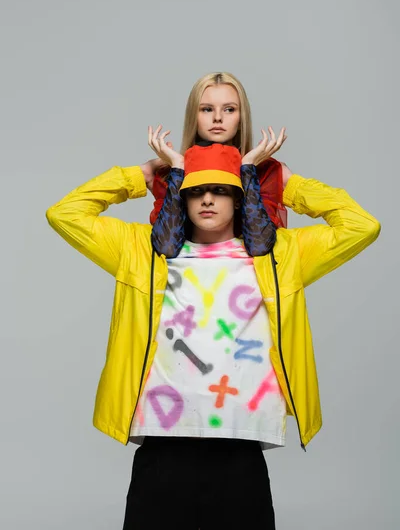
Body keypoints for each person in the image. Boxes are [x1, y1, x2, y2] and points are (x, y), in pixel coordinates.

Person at [46, 141, 380, 529]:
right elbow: (65, 214)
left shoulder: (279, 256)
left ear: (240, 198)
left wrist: (285, 184)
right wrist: (143, 174)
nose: (207, 200)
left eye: (221, 190)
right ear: (181, 196)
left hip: (240, 443)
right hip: (163, 441)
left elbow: (362, 225)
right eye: (196, 191)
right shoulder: (141, 251)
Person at [148, 71, 288, 231]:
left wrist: (249, 167)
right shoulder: (170, 173)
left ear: (241, 118)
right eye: (207, 109)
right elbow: (166, 243)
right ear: (193, 116)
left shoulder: (268, 172)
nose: (218, 117)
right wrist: (145, 172)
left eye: (229, 109)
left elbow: (262, 243)